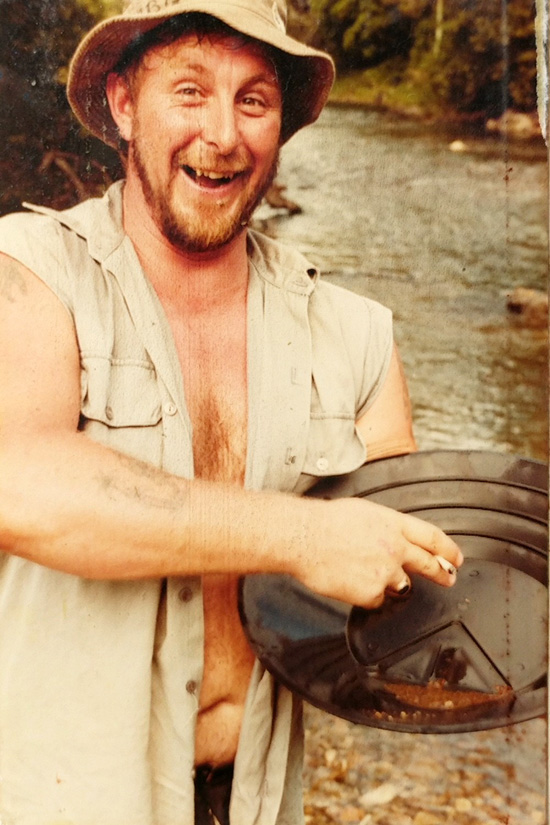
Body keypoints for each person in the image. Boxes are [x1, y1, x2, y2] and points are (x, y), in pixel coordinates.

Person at [0, 1, 463, 823]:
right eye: (189, 90)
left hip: (255, 799)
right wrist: (304, 534)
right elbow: (19, 484)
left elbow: (405, 606)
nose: (223, 133)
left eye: (253, 100)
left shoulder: (355, 335)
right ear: (120, 102)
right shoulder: (31, 277)